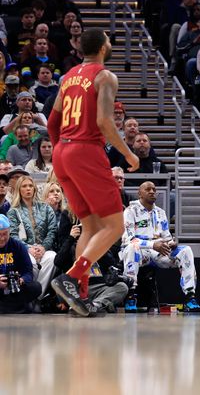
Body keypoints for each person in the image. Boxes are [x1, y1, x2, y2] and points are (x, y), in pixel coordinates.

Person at [47, 28, 140, 317]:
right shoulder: (105, 76)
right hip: (86, 151)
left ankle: (80, 296)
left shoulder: (69, 76)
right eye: (109, 42)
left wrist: (61, 150)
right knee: (115, 226)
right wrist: (127, 153)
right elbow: (104, 121)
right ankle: (73, 277)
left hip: (63, 151)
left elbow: (53, 120)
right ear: (102, 47)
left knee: (89, 226)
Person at [120, 182, 200, 313]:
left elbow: (166, 237)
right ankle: (131, 296)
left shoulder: (160, 213)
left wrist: (171, 243)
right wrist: (152, 244)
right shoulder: (130, 211)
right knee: (131, 248)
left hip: (158, 253)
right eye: (148, 189)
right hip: (140, 252)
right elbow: (130, 239)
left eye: (154, 189)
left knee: (186, 250)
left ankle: (190, 297)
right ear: (139, 193)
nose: (152, 191)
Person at [7, 176, 58, 297]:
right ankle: (30, 294)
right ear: (19, 189)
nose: (28, 189)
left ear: (34, 188)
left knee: (52, 258)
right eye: (24, 186)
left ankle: (38, 296)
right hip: (25, 249)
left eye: (30, 186)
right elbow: (13, 235)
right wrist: (28, 248)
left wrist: (44, 247)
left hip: (43, 248)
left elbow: (52, 230)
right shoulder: (13, 211)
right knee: (30, 261)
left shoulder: (45, 208)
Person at [0, 214, 42, 313]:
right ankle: (16, 308)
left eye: (5, 234)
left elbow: (28, 272)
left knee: (36, 287)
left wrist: (22, 279)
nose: (2, 238)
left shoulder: (18, 246)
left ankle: (6, 307)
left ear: (9, 231)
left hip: (14, 288)